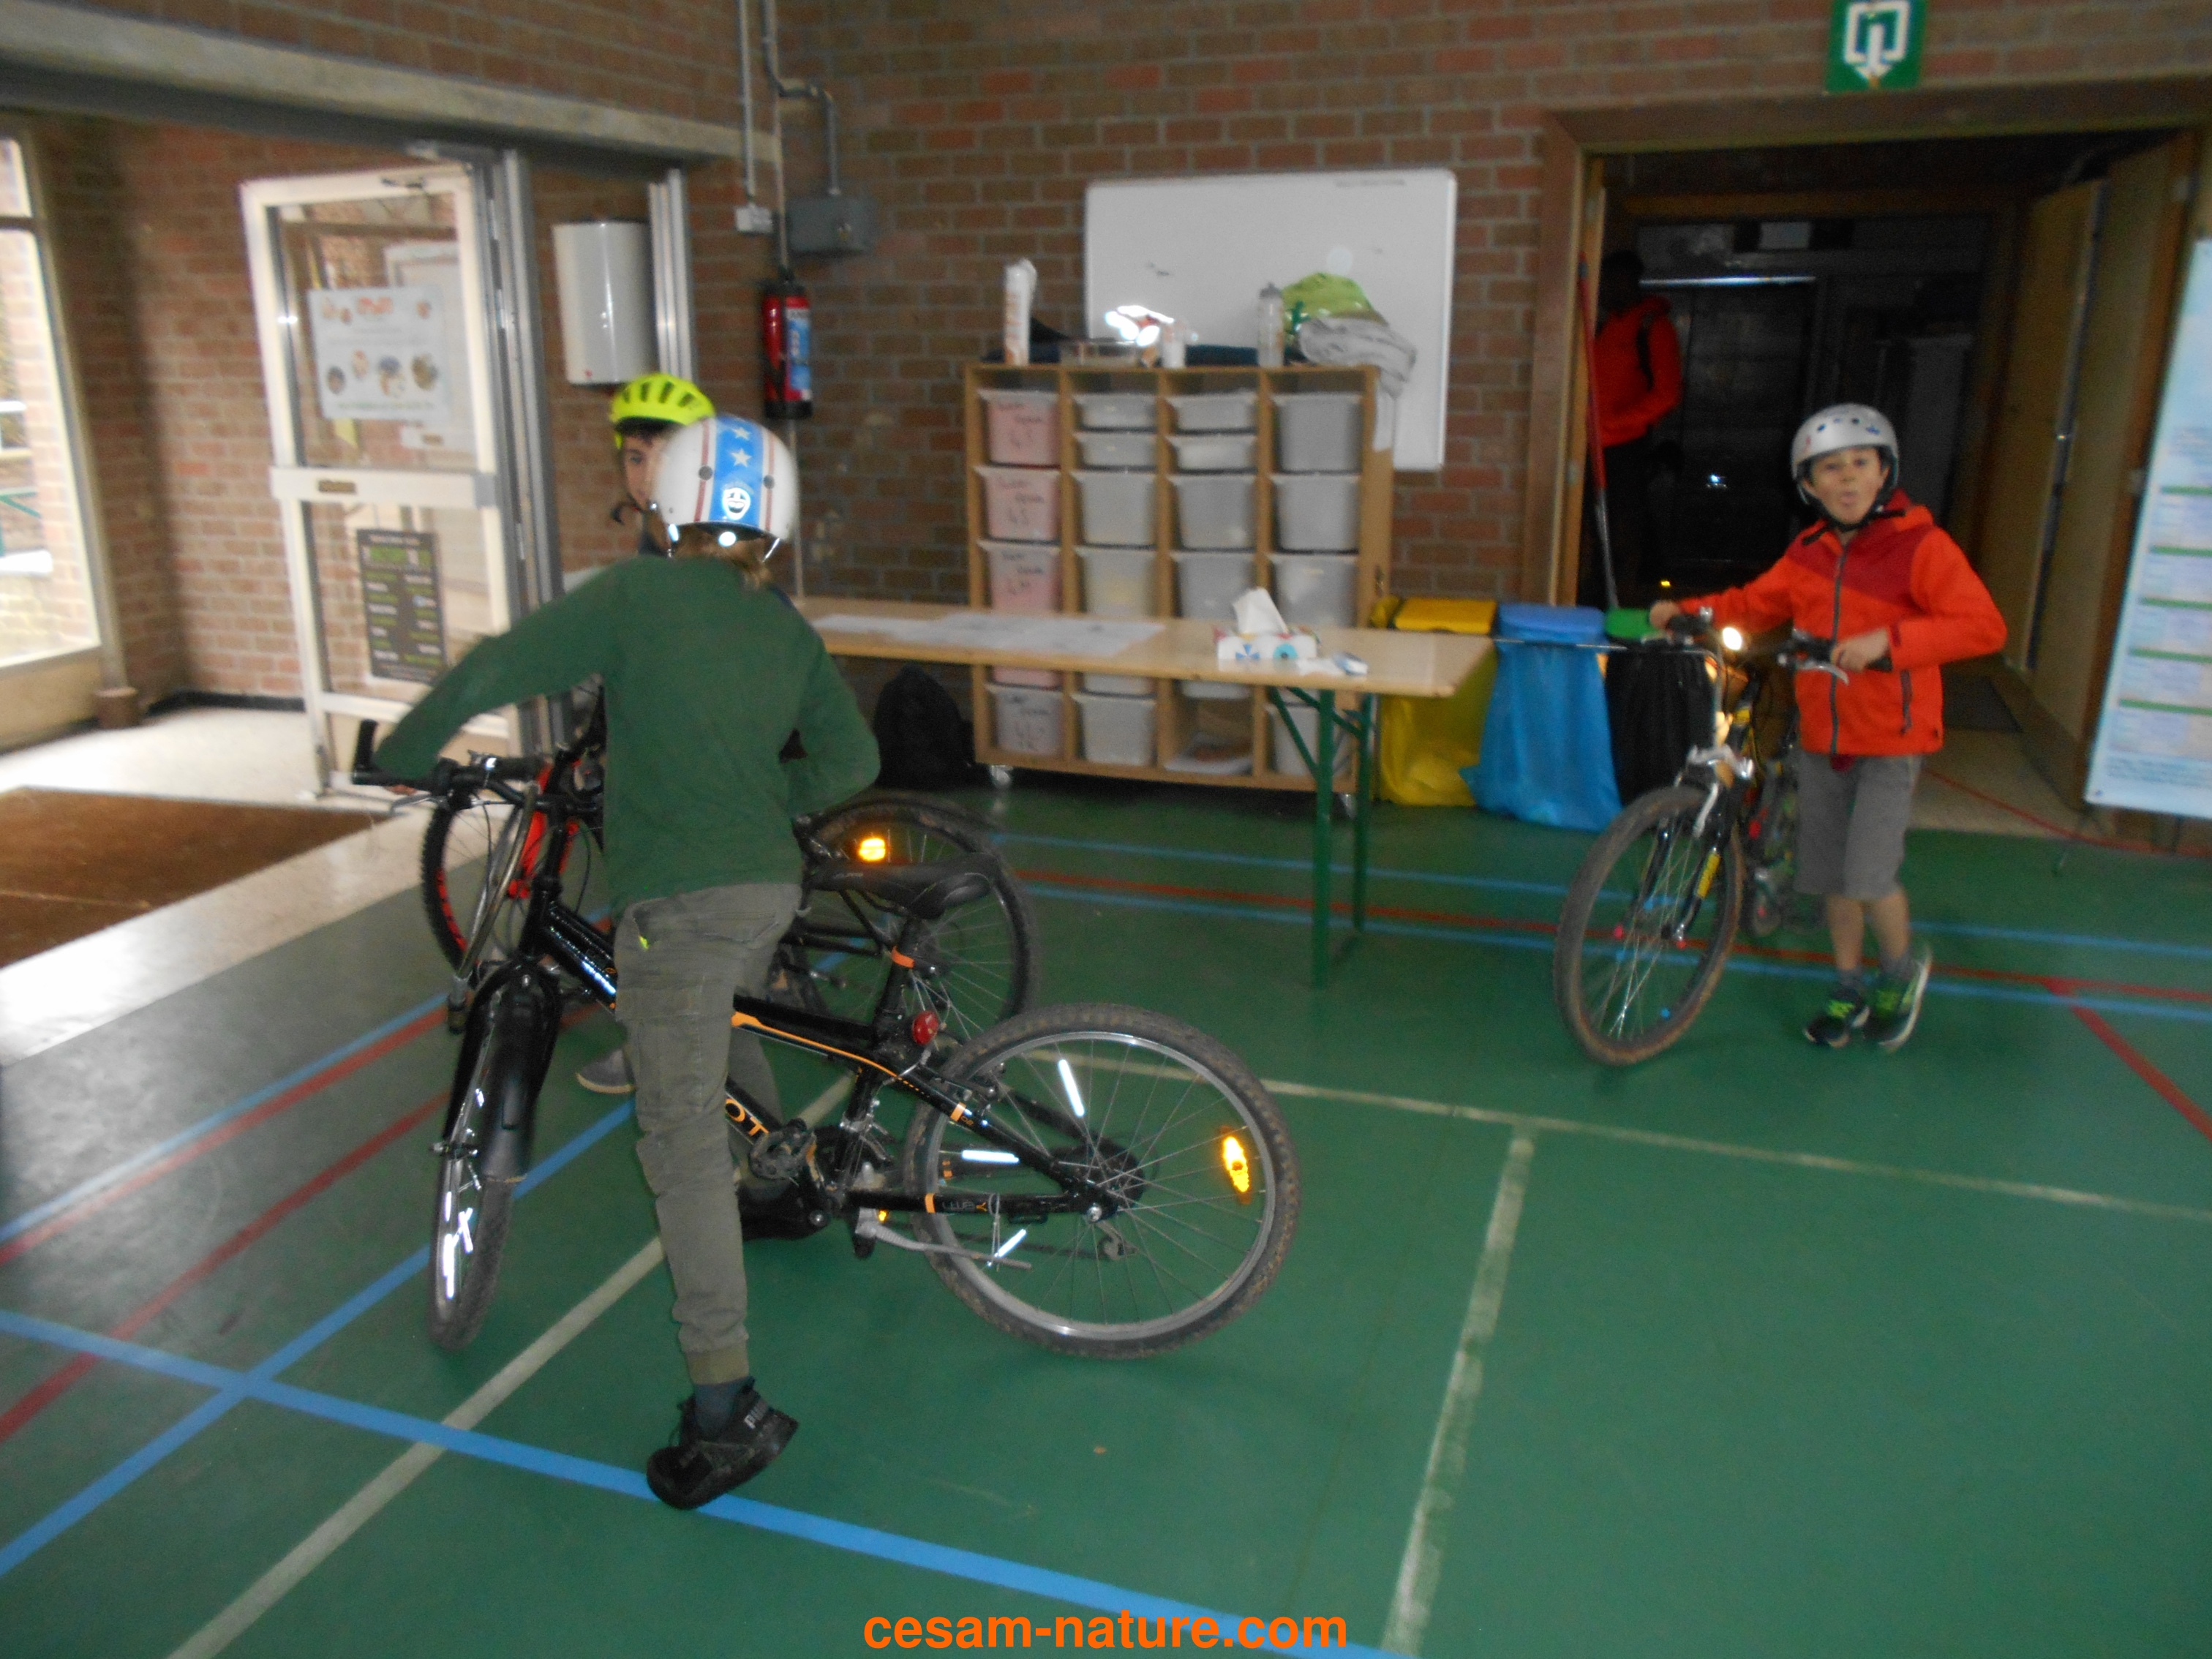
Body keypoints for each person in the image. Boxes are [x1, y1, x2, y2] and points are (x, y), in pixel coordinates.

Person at [376, 415, 879, 1508]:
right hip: (765, 892)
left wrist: (406, 751)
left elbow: (495, 665)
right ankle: (783, 1183)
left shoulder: (636, 597)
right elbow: (854, 756)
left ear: (671, 501)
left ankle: (725, 1406)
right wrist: (766, 803)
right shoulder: (782, 625)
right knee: (720, 1024)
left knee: (680, 1143)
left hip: (682, 904)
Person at [1649, 404, 2004, 1051]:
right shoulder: (1808, 552)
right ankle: (1846, 985)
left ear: (1885, 472)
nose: (1847, 479)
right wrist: (1688, 612)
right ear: (1809, 486)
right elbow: (1754, 603)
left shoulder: (1921, 547)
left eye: (1860, 464)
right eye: (1830, 469)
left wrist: (1887, 643)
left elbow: (1982, 626)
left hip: (1891, 741)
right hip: (1823, 738)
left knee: (1867, 877)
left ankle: (1899, 971)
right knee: (1829, 877)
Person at [578, 373, 716, 1094]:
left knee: (654, 912)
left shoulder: (704, 545)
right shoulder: (653, 539)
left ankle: (653, 1050)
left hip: (701, 756)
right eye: (635, 458)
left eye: (663, 457)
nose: (646, 474)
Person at [1583, 249, 1682, 607]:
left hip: (1625, 446)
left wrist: (1615, 423)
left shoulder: (1652, 326)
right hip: (1592, 444)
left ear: (1630, 282)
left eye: (1613, 282)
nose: (1607, 290)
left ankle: (1622, 602)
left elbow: (1668, 394)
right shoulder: (1604, 327)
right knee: (1591, 529)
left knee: (1622, 531)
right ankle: (1592, 599)